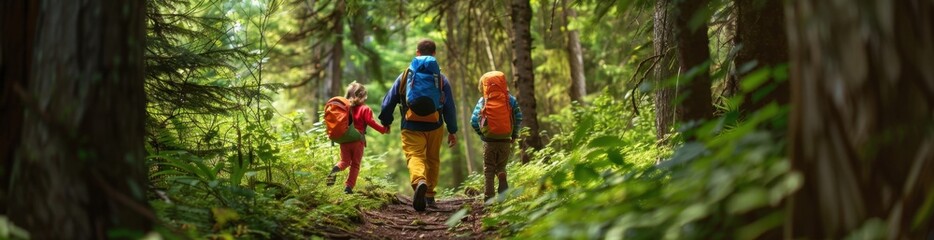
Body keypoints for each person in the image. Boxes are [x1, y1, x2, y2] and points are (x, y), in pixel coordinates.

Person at [379, 39, 458, 212]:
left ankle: (419, 181)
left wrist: (386, 121)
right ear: (434, 54)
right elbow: (450, 107)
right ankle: (429, 195)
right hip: (435, 124)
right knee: (432, 158)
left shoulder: (406, 76)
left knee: (415, 156)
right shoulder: (441, 79)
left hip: (410, 124)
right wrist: (452, 130)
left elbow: (388, 101)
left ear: (417, 53)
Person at [326, 81, 389, 194]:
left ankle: (336, 168)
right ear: (361, 96)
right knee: (355, 164)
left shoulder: (346, 108)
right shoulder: (365, 109)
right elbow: (371, 122)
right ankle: (348, 187)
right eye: (365, 96)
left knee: (344, 161)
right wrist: (383, 130)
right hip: (357, 140)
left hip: (345, 139)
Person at [470, 71, 522, 201]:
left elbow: (473, 121)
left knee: (489, 168)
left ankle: (489, 197)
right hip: (505, 139)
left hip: (489, 141)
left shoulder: (483, 101)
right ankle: (502, 174)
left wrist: (482, 133)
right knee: (500, 165)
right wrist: (514, 134)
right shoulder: (510, 100)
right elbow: (518, 117)